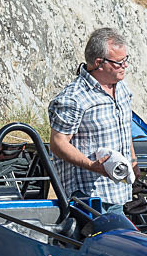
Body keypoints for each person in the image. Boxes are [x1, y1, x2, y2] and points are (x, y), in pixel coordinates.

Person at [48, 27, 137, 214]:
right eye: (119, 62)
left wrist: (134, 163)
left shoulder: (122, 88)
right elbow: (57, 143)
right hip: (89, 197)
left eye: (125, 60)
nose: (125, 66)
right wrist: (92, 166)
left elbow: (125, 128)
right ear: (99, 63)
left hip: (119, 190)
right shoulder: (73, 98)